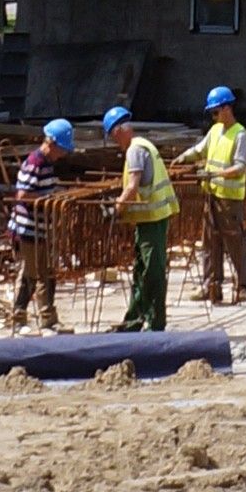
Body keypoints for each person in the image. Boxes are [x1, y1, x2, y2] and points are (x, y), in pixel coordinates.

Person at [103, 103, 176, 331]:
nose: (116, 142)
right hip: (149, 220)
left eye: (114, 137)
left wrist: (115, 208)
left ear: (118, 131)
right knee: (142, 272)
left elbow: (133, 187)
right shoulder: (143, 145)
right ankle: (134, 321)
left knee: (152, 273)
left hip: (152, 220)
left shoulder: (135, 150)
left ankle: (154, 324)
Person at [6, 115, 79, 326]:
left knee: (40, 271)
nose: (63, 154)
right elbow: (22, 195)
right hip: (27, 228)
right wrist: (47, 200)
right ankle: (41, 318)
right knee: (38, 274)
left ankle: (23, 315)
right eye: (62, 149)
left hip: (39, 228)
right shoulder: (35, 162)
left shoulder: (47, 164)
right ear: (51, 143)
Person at [186, 86, 246, 305]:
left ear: (227, 108)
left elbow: (241, 167)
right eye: (212, 113)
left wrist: (215, 173)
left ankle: (245, 286)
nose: (214, 117)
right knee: (210, 242)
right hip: (212, 195)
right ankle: (211, 286)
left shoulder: (241, 135)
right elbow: (200, 149)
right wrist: (182, 158)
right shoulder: (215, 130)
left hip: (230, 199)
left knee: (234, 242)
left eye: (216, 112)